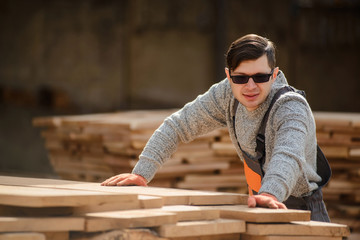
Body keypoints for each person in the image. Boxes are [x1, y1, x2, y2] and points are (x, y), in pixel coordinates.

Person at [101, 34, 331, 222]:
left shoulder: (291, 108)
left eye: (260, 77)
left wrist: (269, 194)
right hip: (258, 203)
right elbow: (178, 125)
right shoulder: (225, 95)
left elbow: (287, 155)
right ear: (228, 76)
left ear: (275, 74)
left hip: (301, 210)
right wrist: (141, 173)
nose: (250, 86)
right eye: (241, 78)